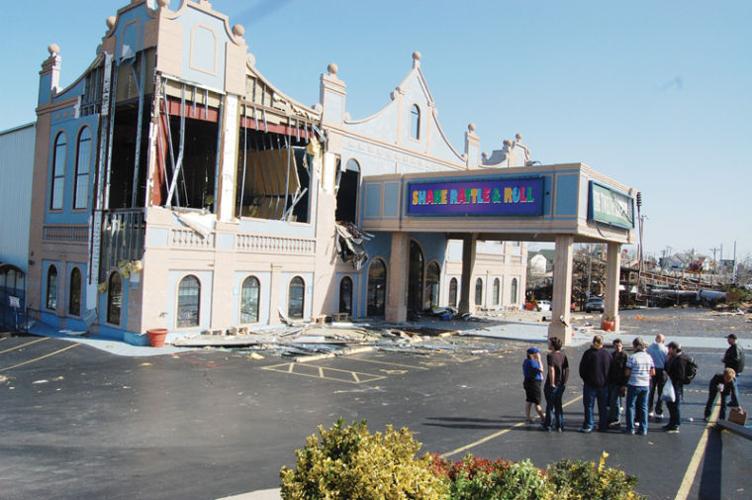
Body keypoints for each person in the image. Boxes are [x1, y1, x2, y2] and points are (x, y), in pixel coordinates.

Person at [578, 335, 612, 433]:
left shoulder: (588, 354)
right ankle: (603, 426)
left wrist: (586, 379)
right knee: (603, 407)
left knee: (589, 406)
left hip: (590, 385)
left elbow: (582, 369)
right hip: (604, 385)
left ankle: (589, 425)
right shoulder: (607, 354)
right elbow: (611, 369)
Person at [624, 337, 655, 435]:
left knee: (630, 406)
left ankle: (630, 428)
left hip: (634, 384)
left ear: (636, 346)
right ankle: (643, 428)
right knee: (644, 407)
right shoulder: (649, 357)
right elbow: (653, 372)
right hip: (645, 384)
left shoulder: (633, 357)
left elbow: (627, 372)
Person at [543, 336, 569, 432]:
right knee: (558, 405)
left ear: (553, 346)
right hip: (561, 384)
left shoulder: (550, 356)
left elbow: (551, 369)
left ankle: (548, 425)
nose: (548, 344)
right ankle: (560, 425)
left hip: (552, 384)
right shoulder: (563, 355)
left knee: (550, 405)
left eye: (549, 343)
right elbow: (567, 369)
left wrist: (552, 382)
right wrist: (565, 382)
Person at [665, 341, 689, 433]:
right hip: (672, 384)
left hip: (676, 386)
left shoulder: (680, 359)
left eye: (669, 348)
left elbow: (680, 375)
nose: (668, 350)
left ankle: (676, 424)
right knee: (670, 404)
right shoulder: (673, 357)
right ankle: (671, 423)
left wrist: (670, 374)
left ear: (674, 349)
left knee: (675, 405)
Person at [607, 338, 629, 427]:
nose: (618, 347)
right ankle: (613, 417)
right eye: (616, 346)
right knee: (613, 401)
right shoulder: (612, 355)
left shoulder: (625, 356)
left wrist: (624, 384)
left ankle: (616, 419)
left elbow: (626, 371)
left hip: (620, 382)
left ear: (622, 346)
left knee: (616, 401)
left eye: (619, 345)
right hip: (612, 381)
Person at [646, 334, 668, 421]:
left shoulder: (649, 348)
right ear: (663, 341)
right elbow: (667, 360)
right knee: (660, 392)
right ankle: (659, 411)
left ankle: (649, 410)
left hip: (651, 370)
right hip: (662, 371)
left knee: (651, 391)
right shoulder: (665, 349)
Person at [522, 346, 545, 425]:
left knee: (529, 400)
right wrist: (539, 360)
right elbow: (541, 370)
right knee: (537, 402)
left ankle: (528, 417)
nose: (538, 354)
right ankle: (543, 418)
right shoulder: (532, 362)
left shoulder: (526, 361)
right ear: (532, 354)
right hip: (534, 384)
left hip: (527, 382)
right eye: (536, 353)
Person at [723, 334, 745, 407]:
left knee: (733, 387)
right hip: (736, 370)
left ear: (733, 339)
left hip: (733, 371)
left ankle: (735, 402)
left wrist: (726, 360)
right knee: (732, 387)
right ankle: (733, 401)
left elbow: (736, 359)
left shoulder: (735, 348)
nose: (727, 341)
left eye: (729, 339)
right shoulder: (738, 346)